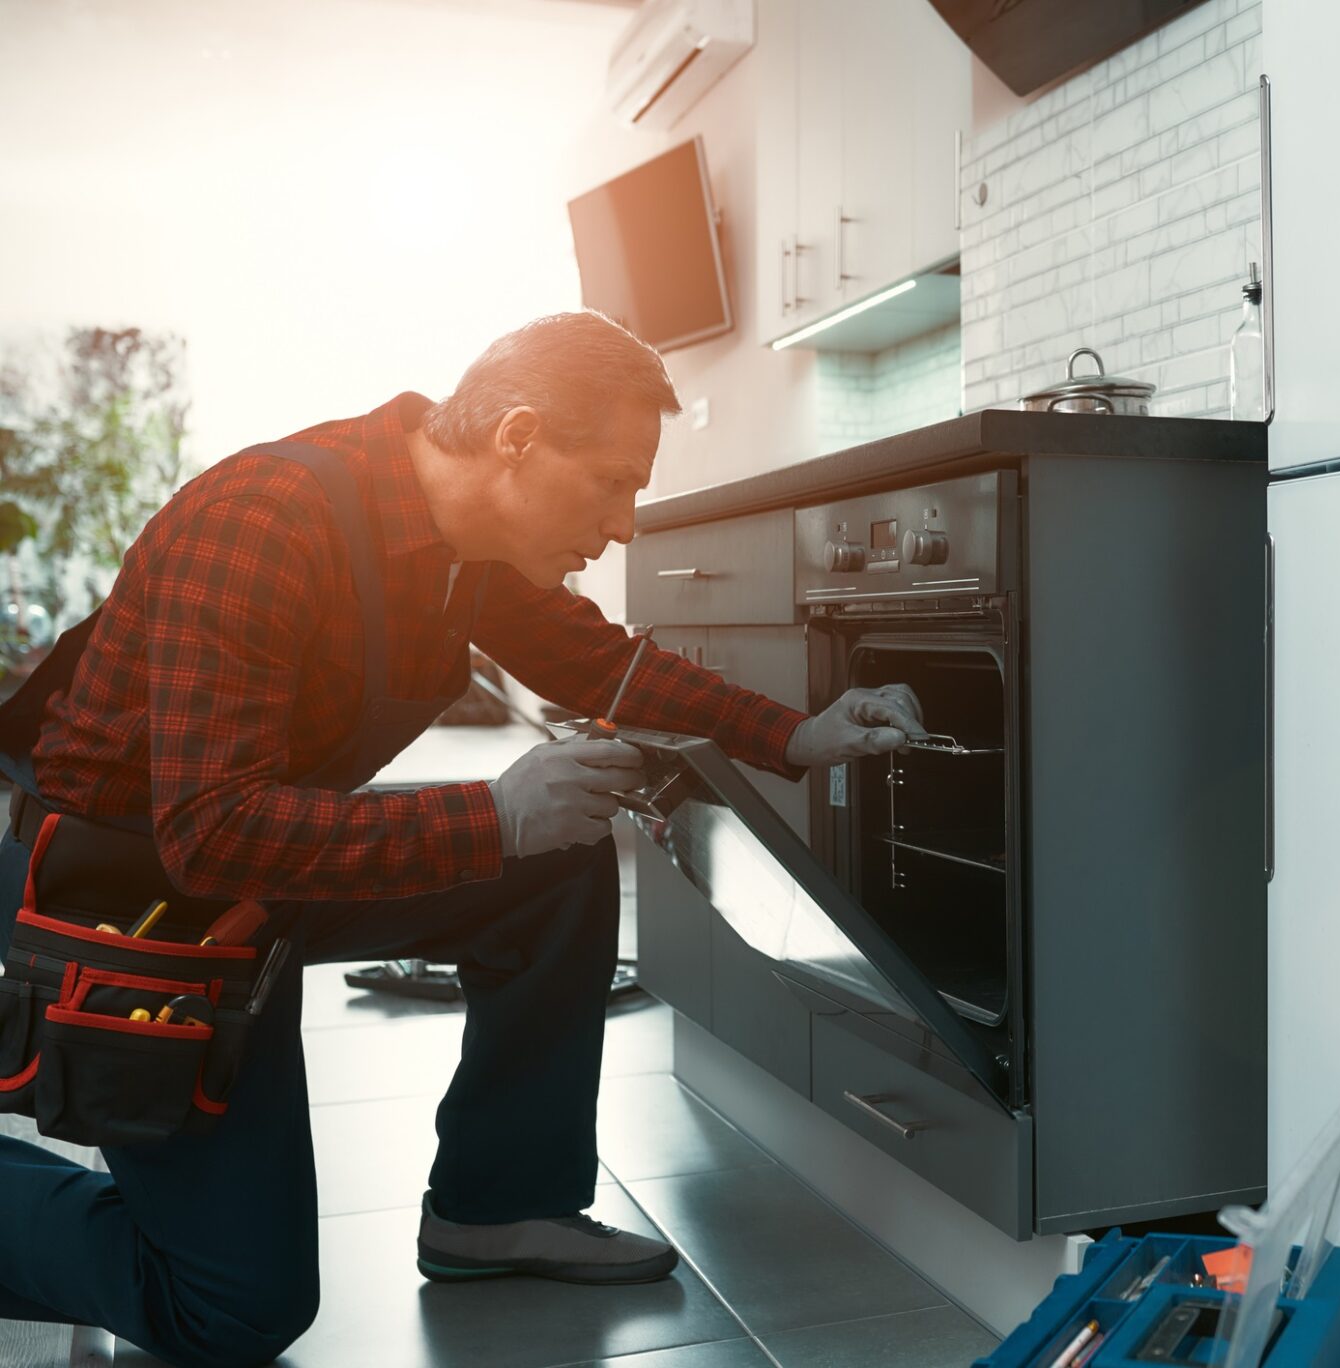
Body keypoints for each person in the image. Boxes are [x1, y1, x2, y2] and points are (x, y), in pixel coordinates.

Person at [0, 311, 923, 1367]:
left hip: (261, 866)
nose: (624, 523)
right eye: (613, 482)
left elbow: (601, 664)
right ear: (519, 437)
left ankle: (495, 1209)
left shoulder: (454, 545)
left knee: (557, 863)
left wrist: (797, 735)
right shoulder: (266, 519)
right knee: (229, 1312)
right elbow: (208, 831)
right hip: (127, 891)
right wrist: (490, 814)